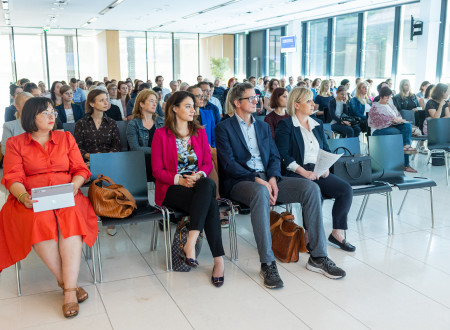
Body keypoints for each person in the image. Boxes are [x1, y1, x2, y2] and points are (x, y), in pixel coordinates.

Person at [215, 83, 346, 289]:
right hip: (241, 181)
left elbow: (275, 156)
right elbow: (228, 164)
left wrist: (274, 178)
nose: (256, 101)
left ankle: (318, 257)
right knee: (260, 192)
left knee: (311, 188)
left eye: (256, 97)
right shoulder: (223, 128)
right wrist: (257, 179)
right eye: (250, 98)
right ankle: (267, 263)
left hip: (269, 178)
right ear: (236, 103)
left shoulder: (262, 126)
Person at [0, 97, 98, 318]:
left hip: (67, 193)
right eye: (45, 113)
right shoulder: (15, 143)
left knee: (71, 219)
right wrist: (24, 197)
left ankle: (68, 292)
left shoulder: (65, 137)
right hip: (33, 197)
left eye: (53, 111)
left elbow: (81, 169)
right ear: (30, 117)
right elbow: (12, 177)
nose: (52, 116)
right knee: (39, 221)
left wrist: (74, 186)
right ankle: (68, 285)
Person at [151, 91, 225, 287]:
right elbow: (157, 171)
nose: (193, 110)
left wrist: (198, 175)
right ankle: (219, 261)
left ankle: (190, 242)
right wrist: (180, 180)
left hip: (198, 184)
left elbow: (207, 164)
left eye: (194, 106)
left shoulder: (199, 132)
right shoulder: (160, 134)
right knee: (209, 202)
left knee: (207, 184)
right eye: (188, 106)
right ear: (174, 108)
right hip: (172, 188)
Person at [275, 87, 356, 252]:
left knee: (345, 190)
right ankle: (309, 234)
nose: (313, 104)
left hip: (318, 169)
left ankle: (337, 233)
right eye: (308, 101)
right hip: (296, 170)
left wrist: (324, 167)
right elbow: (283, 155)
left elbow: (325, 149)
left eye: (312, 101)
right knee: (314, 191)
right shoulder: (286, 125)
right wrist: (303, 172)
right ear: (296, 105)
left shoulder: (317, 124)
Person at [368, 87, 417, 173]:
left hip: (393, 126)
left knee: (407, 126)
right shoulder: (375, 107)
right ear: (381, 96)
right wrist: (393, 119)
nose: (389, 99)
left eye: (390, 97)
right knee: (399, 133)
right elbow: (379, 121)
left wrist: (399, 120)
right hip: (379, 130)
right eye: (387, 97)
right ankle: (405, 164)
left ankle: (406, 146)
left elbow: (398, 115)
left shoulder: (390, 105)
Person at [127, 89, 164, 182]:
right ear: (141, 104)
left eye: (156, 101)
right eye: (151, 101)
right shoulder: (133, 124)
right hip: (142, 162)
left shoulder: (162, 122)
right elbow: (135, 148)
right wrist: (158, 151)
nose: (155, 104)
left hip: (161, 161)